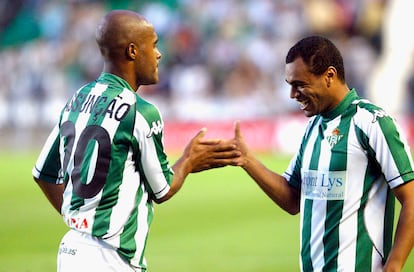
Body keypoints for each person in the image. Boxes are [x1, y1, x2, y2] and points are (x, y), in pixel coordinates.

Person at [32, 10, 240, 272]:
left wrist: (78, 218)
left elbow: (43, 173)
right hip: (109, 258)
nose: (159, 53)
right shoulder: (139, 111)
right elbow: (162, 188)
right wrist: (189, 160)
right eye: (153, 45)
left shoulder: (77, 99)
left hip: (72, 249)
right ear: (132, 51)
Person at [232, 36, 414, 271]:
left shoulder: (372, 122)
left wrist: (394, 265)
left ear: (329, 75)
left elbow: (411, 198)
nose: (292, 94)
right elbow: (292, 199)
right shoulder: (312, 128)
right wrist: (247, 160)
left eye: (299, 84)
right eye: (289, 85)